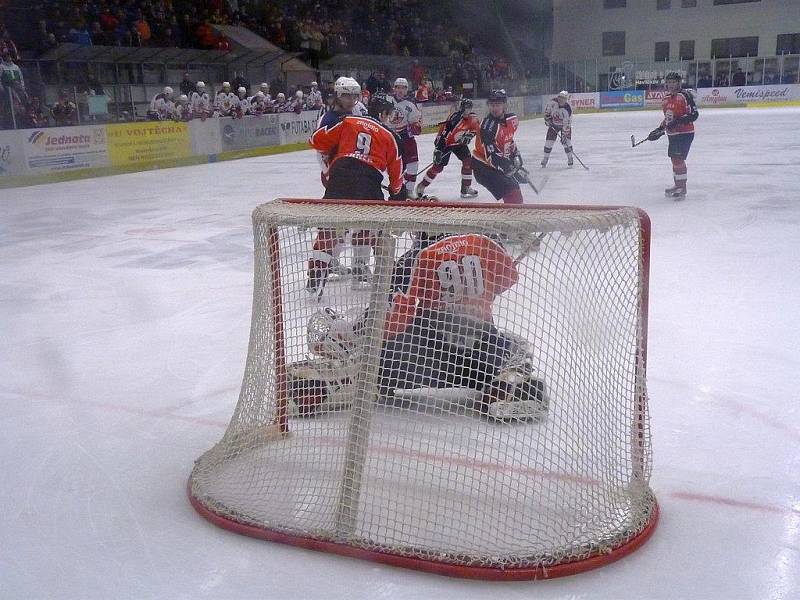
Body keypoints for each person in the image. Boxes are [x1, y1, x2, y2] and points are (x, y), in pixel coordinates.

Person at [300, 232, 549, 420]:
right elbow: (508, 279)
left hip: (423, 360)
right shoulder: (483, 244)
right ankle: (509, 387)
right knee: (515, 345)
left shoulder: (417, 257)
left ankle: (335, 383)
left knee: (377, 365)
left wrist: (363, 336)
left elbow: (396, 316)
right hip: (479, 358)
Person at [306, 91, 405, 296]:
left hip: (340, 176)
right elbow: (397, 180)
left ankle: (315, 279)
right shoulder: (391, 136)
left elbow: (317, 140)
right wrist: (397, 195)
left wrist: (338, 153)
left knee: (329, 230)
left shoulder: (348, 121)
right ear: (384, 113)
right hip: (369, 183)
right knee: (374, 229)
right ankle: (379, 278)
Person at [646, 72, 699, 198]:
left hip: (685, 133)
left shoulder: (685, 95)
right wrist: (659, 130)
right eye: (669, 82)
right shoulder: (665, 99)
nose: (671, 85)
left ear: (679, 83)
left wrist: (678, 122)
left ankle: (682, 188)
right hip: (673, 134)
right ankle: (678, 185)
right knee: (674, 160)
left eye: (673, 82)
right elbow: (668, 118)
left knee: (678, 159)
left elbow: (694, 115)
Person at [415, 97, 480, 199]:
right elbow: (443, 134)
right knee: (438, 167)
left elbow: (475, 129)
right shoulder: (455, 118)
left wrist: (470, 136)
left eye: (468, 108)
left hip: (458, 144)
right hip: (446, 144)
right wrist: (438, 150)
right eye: (464, 107)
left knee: (468, 162)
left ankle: (466, 188)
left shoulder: (473, 118)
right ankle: (421, 186)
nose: (466, 110)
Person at [471, 89, 526, 204]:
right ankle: (511, 219)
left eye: (498, 104)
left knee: (515, 192)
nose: (494, 108)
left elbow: (508, 140)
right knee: (512, 194)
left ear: (504, 105)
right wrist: (511, 168)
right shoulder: (487, 126)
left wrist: (516, 155)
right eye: (492, 105)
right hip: (483, 167)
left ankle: (512, 217)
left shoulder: (512, 120)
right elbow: (492, 157)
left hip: (493, 166)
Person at [388, 77, 423, 194]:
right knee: (397, 166)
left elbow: (415, 122)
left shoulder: (410, 105)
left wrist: (416, 126)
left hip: (406, 138)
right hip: (390, 137)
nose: (400, 90)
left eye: (403, 88)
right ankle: (397, 189)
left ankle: (409, 190)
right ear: (394, 88)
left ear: (406, 90)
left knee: (413, 164)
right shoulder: (387, 100)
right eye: (398, 87)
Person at [540, 90, 574, 168]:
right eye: (560, 97)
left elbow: (567, 124)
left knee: (566, 143)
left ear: (566, 99)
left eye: (563, 98)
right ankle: (545, 158)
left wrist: (564, 135)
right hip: (553, 124)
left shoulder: (568, 109)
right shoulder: (552, 102)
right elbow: (547, 113)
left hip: (564, 126)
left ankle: (570, 158)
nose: (561, 99)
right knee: (549, 142)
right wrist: (547, 120)